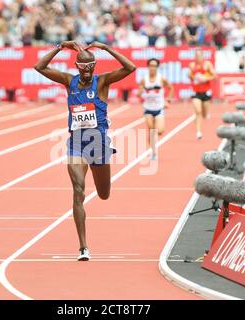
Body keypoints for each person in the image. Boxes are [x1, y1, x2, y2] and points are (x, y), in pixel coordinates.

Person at [34, 41, 136, 261]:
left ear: (95, 67)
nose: (88, 72)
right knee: (78, 190)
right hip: (76, 144)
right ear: (78, 67)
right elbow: (39, 67)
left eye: (91, 68)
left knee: (103, 194)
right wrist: (60, 47)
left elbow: (130, 68)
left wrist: (107, 49)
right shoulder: (69, 81)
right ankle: (83, 247)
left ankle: (85, 241)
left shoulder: (102, 82)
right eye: (84, 68)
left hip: (98, 144)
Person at [138, 58, 173, 160]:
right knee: (151, 130)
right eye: (151, 66)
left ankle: (153, 148)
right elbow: (139, 92)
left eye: (155, 66)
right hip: (148, 109)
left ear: (157, 67)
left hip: (159, 108)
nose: (152, 68)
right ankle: (153, 152)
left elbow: (171, 88)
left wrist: (168, 100)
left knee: (160, 131)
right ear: (148, 67)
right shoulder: (144, 79)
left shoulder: (161, 79)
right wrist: (141, 91)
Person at [188, 48, 215, 139]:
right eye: (196, 56)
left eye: (199, 55)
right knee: (198, 111)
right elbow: (190, 76)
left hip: (206, 92)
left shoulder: (207, 64)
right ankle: (198, 132)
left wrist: (205, 78)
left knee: (204, 114)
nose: (198, 57)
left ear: (202, 56)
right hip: (196, 92)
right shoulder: (192, 65)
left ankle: (205, 114)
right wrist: (193, 77)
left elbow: (215, 76)